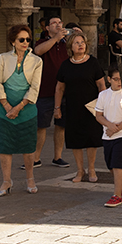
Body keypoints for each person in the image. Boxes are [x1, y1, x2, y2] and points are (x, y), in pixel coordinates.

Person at [0, 24, 43, 196]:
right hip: (3, 107)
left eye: (28, 39)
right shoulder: (3, 58)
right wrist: (7, 106)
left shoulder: (37, 61)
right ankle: (6, 181)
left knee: (28, 146)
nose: (25, 42)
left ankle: (30, 178)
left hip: (26, 108)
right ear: (13, 41)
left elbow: (35, 87)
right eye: (21, 39)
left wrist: (19, 107)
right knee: (4, 145)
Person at [55, 31, 106, 184]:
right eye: (77, 43)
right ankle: (79, 170)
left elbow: (101, 85)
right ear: (71, 46)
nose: (80, 45)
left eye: (82, 42)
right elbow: (59, 88)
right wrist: (56, 108)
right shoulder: (65, 65)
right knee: (75, 140)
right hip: (72, 107)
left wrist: (103, 106)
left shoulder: (93, 62)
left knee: (91, 138)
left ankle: (91, 168)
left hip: (91, 108)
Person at [32, 14, 71, 169]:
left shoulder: (66, 44)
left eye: (60, 22)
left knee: (61, 126)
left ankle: (58, 157)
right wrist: (55, 39)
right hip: (46, 90)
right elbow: (38, 51)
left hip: (64, 91)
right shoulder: (42, 42)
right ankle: (35, 158)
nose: (58, 25)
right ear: (47, 28)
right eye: (53, 23)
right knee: (41, 126)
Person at [94, 68, 122, 207]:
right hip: (107, 135)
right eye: (116, 79)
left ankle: (116, 195)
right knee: (109, 164)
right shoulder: (103, 95)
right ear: (109, 79)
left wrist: (116, 128)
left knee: (118, 162)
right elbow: (98, 115)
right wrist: (109, 126)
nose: (119, 82)